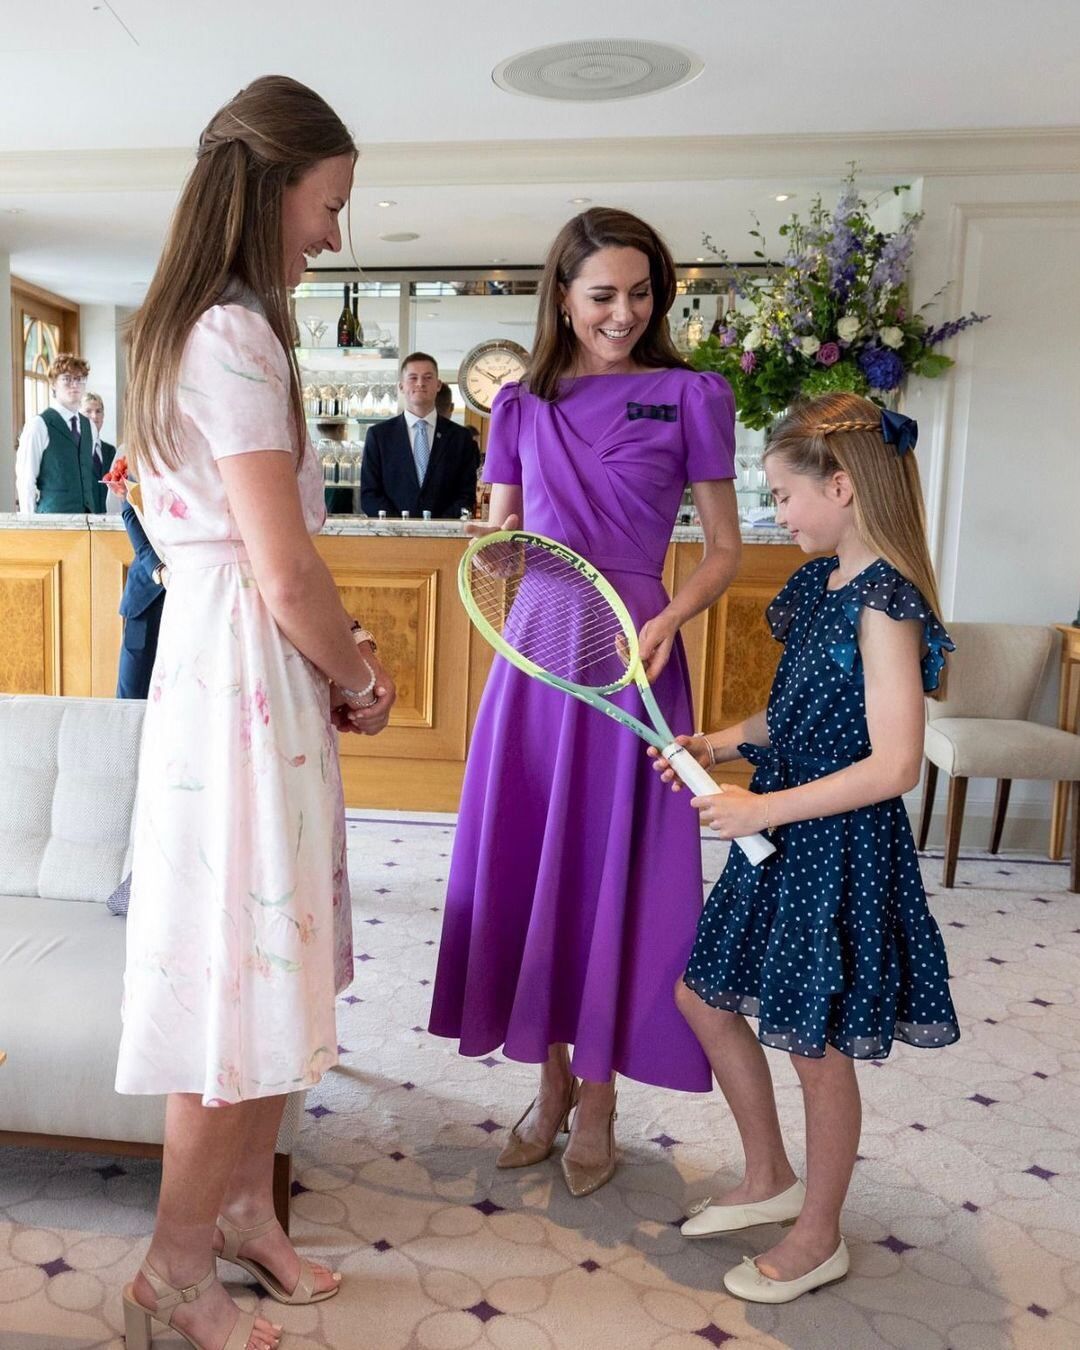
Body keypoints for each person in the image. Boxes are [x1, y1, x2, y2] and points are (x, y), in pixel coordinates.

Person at [115, 75, 396, 1350]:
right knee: (240, 976)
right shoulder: (233, 336)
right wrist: (354, 673)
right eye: (328, 205)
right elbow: (281, 571)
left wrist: (326, 659)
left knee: (267, 962)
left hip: (232, 667)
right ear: (274, 185)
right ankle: (172, 1274)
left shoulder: (195, 327)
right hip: (243, 671)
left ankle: (239, 1215)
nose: (335, 234)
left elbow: (262, 564)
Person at [429, 207, 743, 1196]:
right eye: (602, 294)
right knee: (535, 863)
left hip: (638, 646)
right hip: (538, 653)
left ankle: (601, 1099)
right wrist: (498, 548)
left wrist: (670, 616)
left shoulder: (694, 394)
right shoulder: (518, 404)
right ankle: (552, 1084)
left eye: (640, 294)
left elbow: (726, 550)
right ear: (561, 295)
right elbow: (501, 541)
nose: (622, 312)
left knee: (615, 871)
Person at [651, 394, 960, 1304]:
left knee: (816, 1047)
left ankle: (819, 1233)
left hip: (838, 848)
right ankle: (768, 1177)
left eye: (783, 497)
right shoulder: (817, 587)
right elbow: (791, 717)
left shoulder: (888, 603)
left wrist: (764, 807)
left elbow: (895, 764)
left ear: (841, 488)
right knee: (703, 996)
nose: (776, 516)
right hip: (783, 832)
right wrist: (718, 743)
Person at [359, 352, 478, 518]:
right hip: (392, 536)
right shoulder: (379, 436)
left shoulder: (460, 438)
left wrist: (438, 527)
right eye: (413, 378)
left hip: (445, 536)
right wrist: (401, 526)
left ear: (438, 384)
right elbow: (369, 494)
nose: (420, 383)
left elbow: (466, 495)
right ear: (401, 386)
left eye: (428, 377)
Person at [104, 471, 166, 699]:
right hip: (146, 598)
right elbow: (130, 512)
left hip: (199, 595)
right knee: (129, 698)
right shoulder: (140, 451)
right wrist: (158, 568)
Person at [14, 355, 96, 515]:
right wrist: (30, 525)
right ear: (53, 384)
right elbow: (26, 480)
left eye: (79, 379)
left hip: (86, 522)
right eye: (67, 379)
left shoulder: (89, 426)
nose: (74, 384)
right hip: (52, 522)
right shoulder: (39, 424)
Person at [81, 391, 117, 511]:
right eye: (88, 411)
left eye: (98, 411)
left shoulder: (111, 451)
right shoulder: (72, 452)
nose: (94, 416)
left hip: (108, 520)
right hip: (82, 521)